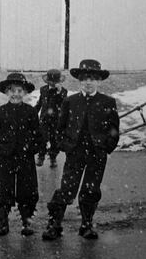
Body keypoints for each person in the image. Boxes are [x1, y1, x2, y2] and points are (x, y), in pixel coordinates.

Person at [42, 59, 120, 241]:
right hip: (75, 153)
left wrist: (106, 146)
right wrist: (64, 144)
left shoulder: (107, 102)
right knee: (67, 188)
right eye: (85, 78)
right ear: (79, 80)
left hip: (97, 154)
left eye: (92, 78)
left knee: (91, 190)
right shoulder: (71, 101)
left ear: (99, 81)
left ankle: (86, 224)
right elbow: (59, 128)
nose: (88, 82)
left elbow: (113, 130)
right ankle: (55, 224)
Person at [0, 73, 43, 236]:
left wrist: (32, 148)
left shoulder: (31, 112)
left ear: (25, 93)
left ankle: (26, 222)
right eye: (12, 90)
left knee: (27, 190)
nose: (16, 94)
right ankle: (3, 223)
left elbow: (38, 134)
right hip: (6, 158)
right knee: (5, 189)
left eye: (20, 90)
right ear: (6, 92)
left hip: (25, 158)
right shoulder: (0, 111)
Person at [34, 69, 68, 168]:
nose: (53, 84)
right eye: (51, 82)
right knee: (42, 137)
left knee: (54, 139)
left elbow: (64, 103)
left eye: (56, 82)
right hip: (44, 118)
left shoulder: (63, 91)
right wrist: (33, 112)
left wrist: (59, 92)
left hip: (56, 119)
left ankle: (53, 157)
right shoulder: (43, 89)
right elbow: (40, 103)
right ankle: (41, 156)